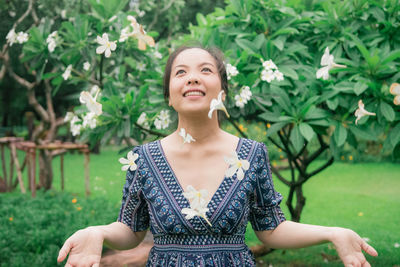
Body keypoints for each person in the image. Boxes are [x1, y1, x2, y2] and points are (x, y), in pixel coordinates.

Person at [57, 46, 378, 267]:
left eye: (205, 70)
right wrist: (97, 232)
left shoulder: (252, 154)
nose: (193, 77)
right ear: (169, 95)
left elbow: (270, 229)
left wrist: (331, 233)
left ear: (222, 91)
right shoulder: (143, 159)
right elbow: (130, 230)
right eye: (180, 72)